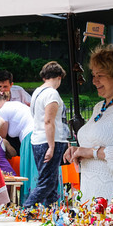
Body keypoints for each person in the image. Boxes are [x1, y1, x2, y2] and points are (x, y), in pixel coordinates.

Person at [63, 45, 113, 200]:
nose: (94, 81)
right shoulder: (99, 107)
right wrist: (78, 151)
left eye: (100, 75)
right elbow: (96, 142)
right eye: (93, 75)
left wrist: (91, 152)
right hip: (93, 193)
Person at [23, 61, 69, 206]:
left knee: (52, 182)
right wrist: (51, 146)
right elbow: (48, 121)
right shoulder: (52, 94)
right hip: (50, 140)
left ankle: (51, 211)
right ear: (59, 77)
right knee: (47, 182)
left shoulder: (37, 92)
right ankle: (26, 208)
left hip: (38, 139)